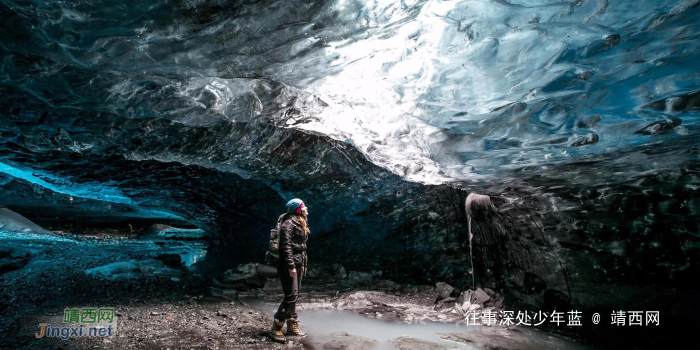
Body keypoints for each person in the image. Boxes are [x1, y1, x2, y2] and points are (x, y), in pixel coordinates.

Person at [269, 198, 310, 343]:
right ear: (297, 209)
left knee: (295, 295)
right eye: (303, 206)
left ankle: (292, 326)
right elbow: (285, 247)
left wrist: (303, 264)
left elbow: (301, 247)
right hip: (287, 265)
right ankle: (276, 328)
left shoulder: (300, 222)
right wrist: (291, 266)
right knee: (291, 296)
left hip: (297, 263)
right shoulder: (288, 224)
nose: (306, 208)